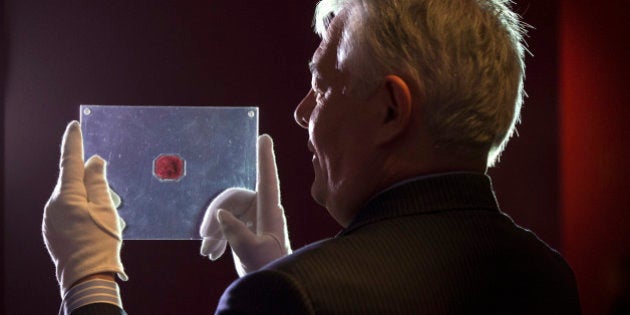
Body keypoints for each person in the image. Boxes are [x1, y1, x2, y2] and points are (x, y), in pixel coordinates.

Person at [43, 0, 582, 314]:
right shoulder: (548, 277)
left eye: (323, 87)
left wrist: (87, 282)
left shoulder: (285, 298)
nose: (302, 112)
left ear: (392, 110)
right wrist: (283, 269)